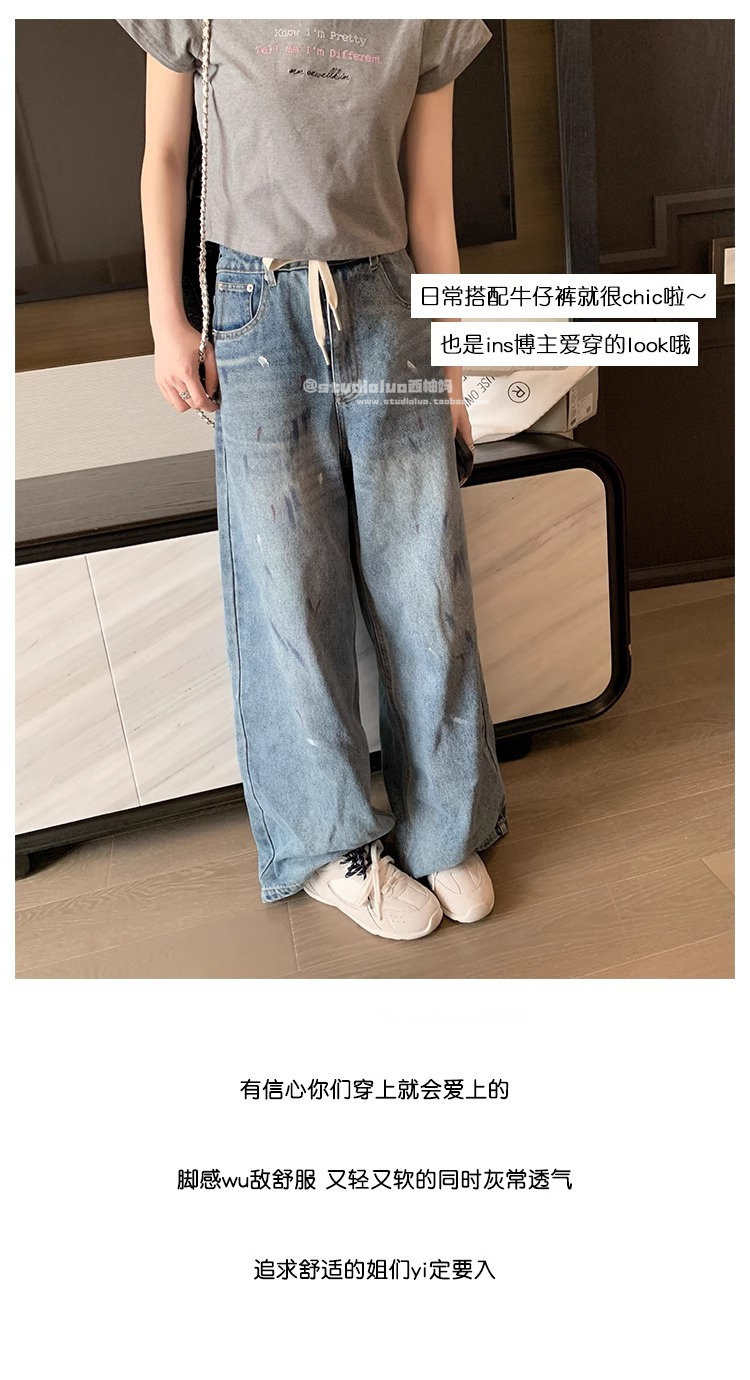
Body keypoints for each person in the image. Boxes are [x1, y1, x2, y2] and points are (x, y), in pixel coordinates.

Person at [118, 18, 508, 941]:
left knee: (425, 584)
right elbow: (163, 156)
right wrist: (167, 322)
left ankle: (444, 827)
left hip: (387, 303)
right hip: (255, 308)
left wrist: (453, 375)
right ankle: (333, 847)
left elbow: (432, 202)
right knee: (290, 592)